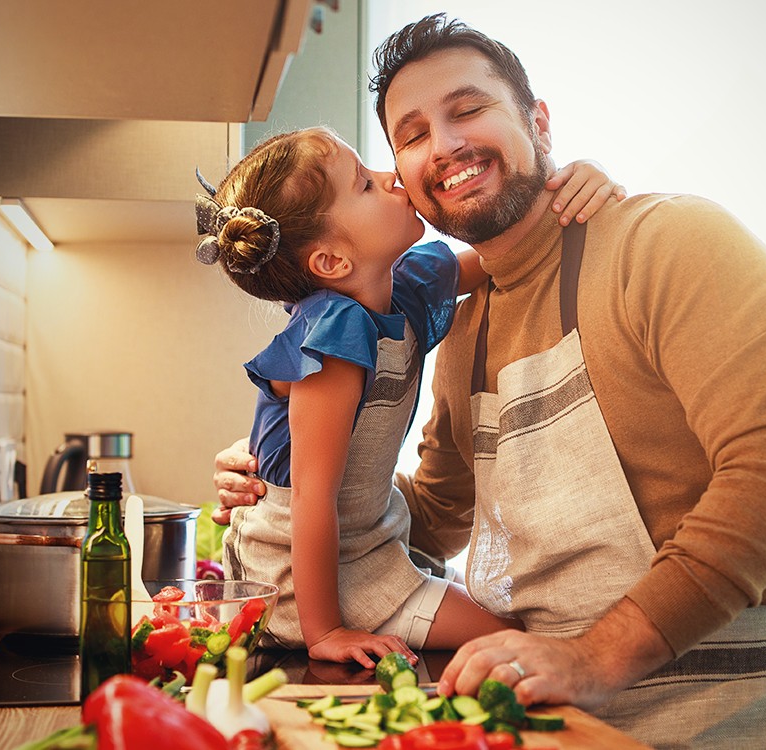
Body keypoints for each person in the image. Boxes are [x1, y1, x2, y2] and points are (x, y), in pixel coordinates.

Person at [214, 15, 766, 748]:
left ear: (538, 122)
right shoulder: (464, 321)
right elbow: (441, 510)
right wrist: (282, 490)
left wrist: (595, 656)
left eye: (468, 109)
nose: (443, 145)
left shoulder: (672, 241)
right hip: (551, 706)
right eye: (411, 135)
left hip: (729, 701)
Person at [196, 125, 623, 668]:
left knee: (518, 633)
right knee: (520, 641)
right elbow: (311, 496)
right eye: (366, 185)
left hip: (368, 548)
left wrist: (579, 192)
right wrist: (326, 631)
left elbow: (510, 254)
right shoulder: (333, 335)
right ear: (332, 262)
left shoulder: (405, 289)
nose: (391, 177)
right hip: (303, 582)